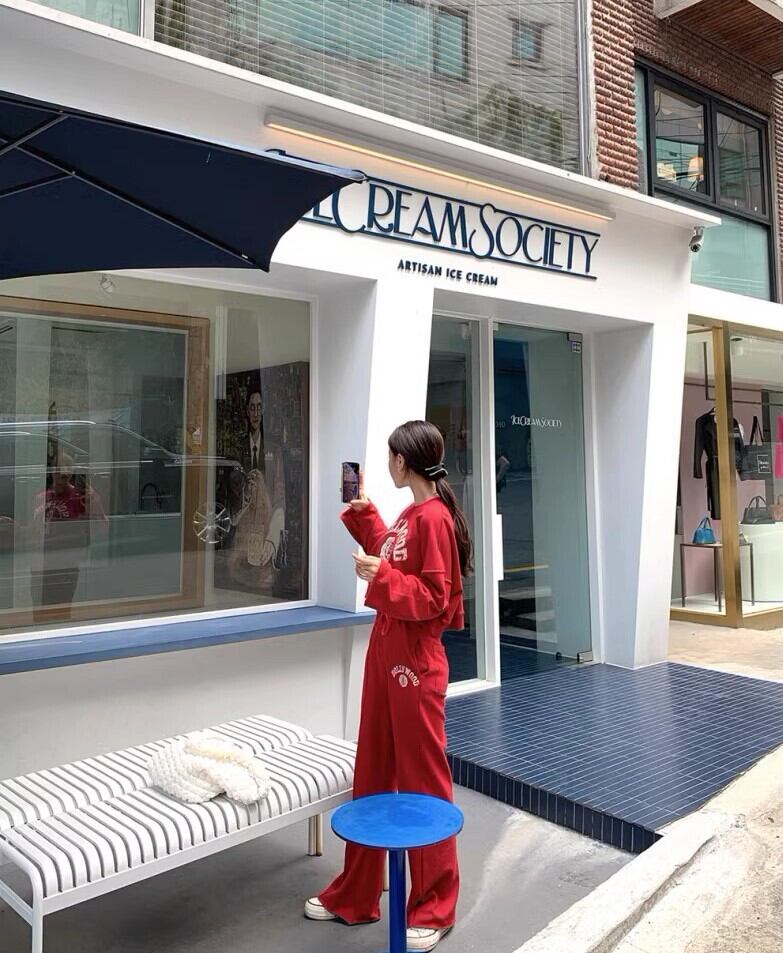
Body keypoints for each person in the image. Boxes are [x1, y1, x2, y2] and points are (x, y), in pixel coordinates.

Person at [305, 420, 473, 952]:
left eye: (389, 457)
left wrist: (380, 576)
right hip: (386, 653)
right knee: (373, 769)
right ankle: (357, 893)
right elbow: (391, 553)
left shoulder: (435, 518)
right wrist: (365, 516)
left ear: (403, 461)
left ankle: (434, 905)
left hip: (415, 662)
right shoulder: (410, 514)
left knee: (424, 782)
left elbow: (435, 599)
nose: (386, 464)